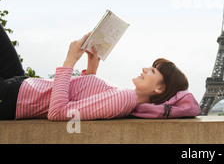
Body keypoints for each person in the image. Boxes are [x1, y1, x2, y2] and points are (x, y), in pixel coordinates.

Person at [0, 25, 190, 120]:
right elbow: (78, 97)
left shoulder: (124, 99)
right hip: (24, 86)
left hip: (16, 97)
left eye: (153, 70)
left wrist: (70, 60)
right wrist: (92, 69)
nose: (144, 69)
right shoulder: (126, 96)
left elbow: (58, 112)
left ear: (159, 88)